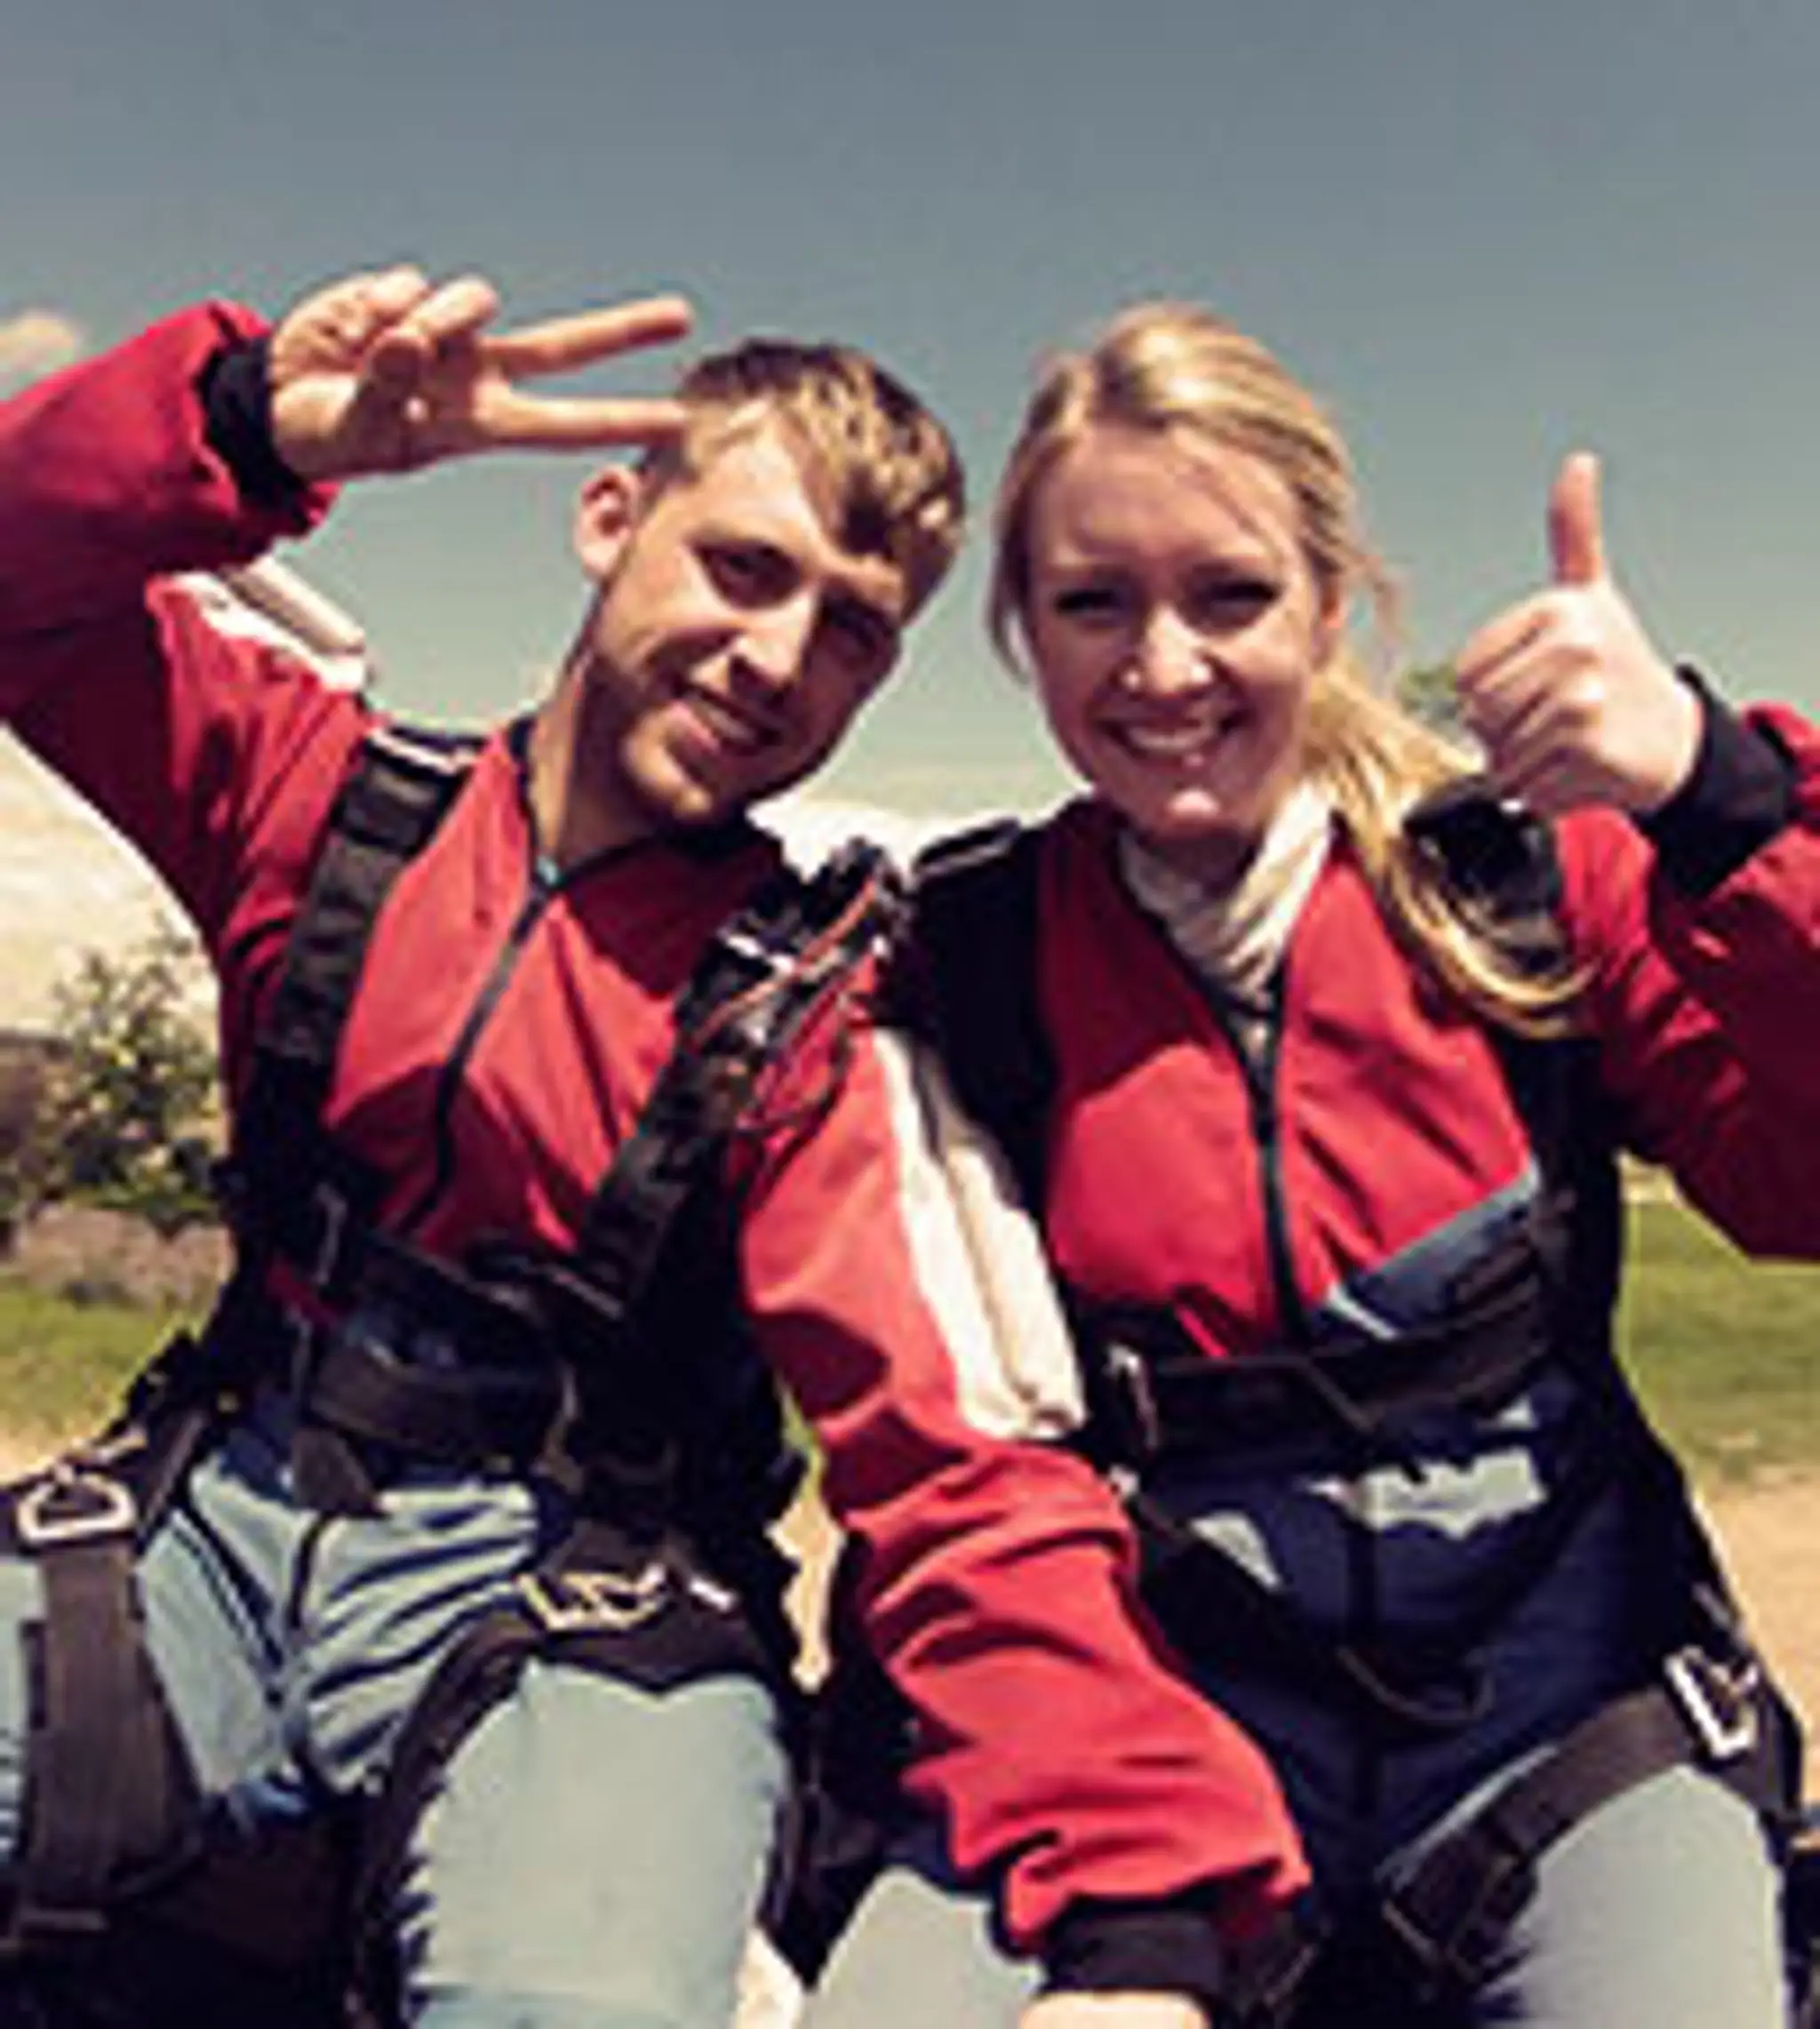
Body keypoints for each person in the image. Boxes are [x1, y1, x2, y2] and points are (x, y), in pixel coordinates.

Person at [799, 300, 1820, 2029]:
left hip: (1566, 1721)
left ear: (1331, 609)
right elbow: (955, 1438)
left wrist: (1719, 802)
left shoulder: (1523, 885)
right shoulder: (961, 960)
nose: (1162, 666)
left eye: (1231, 595)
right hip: (1143, 1712)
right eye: (1091, 603)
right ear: (1019, 639)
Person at [0, 261, 978, 2029]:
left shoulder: (820, 1004)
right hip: (216, 1508)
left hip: (587, 1593)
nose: (779, 659)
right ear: (609, 517)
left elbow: (939, 1431)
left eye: (852, 626)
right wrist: (240, 428)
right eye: (743, 568)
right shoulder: (323, 798)